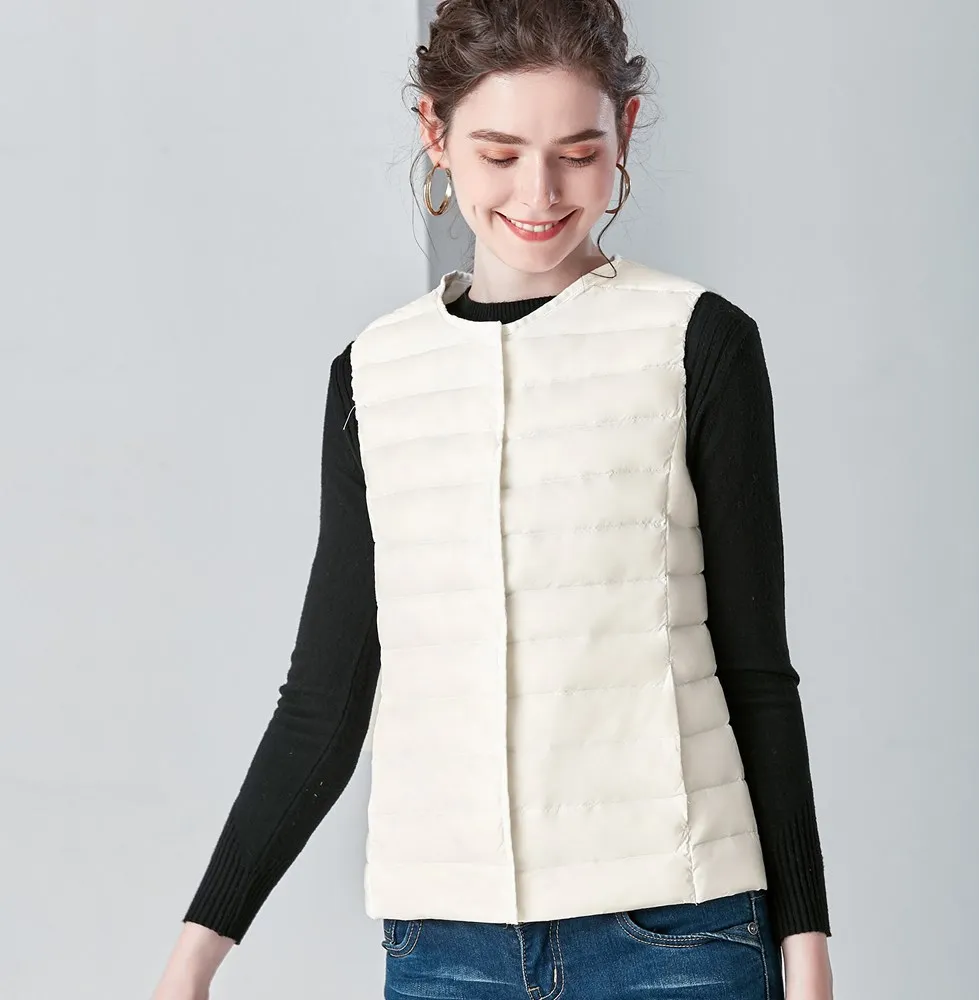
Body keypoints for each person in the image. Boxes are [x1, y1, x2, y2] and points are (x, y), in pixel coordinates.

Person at [152, 2, 835, 998]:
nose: (539, 193)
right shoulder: (374, 373)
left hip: (678, 938)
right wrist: (193, 958)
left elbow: (756, 671)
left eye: (577, 153)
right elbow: (323, 704)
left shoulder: (698, 341)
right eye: (500, 153)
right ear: (435, 133)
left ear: (625, 131)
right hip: (446, 951)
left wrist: (806, 949)